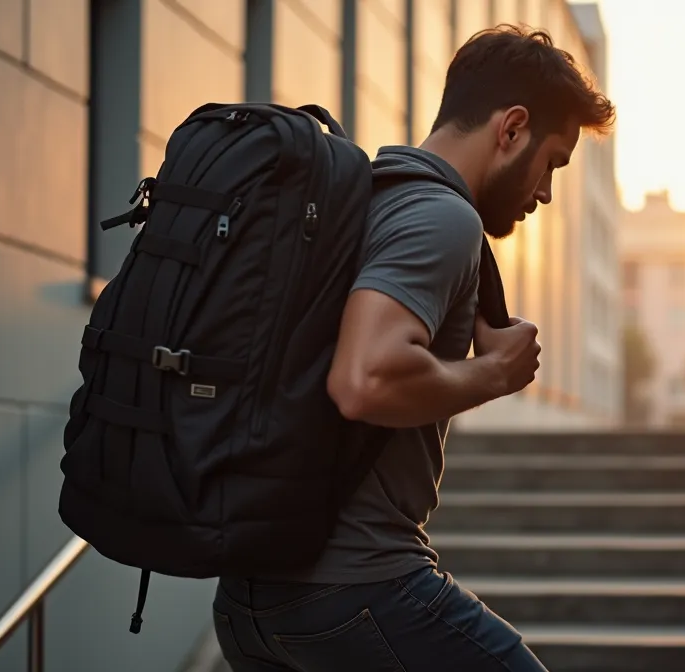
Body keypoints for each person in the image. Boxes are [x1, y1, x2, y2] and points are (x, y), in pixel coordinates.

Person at [211, 24, 615, 672]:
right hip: (358, 589)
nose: (545, 192)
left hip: (253, 602)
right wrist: (491, 374)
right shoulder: (440, 217)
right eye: (552, 164)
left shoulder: (364, 200)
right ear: (511, 129)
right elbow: (363, 380)